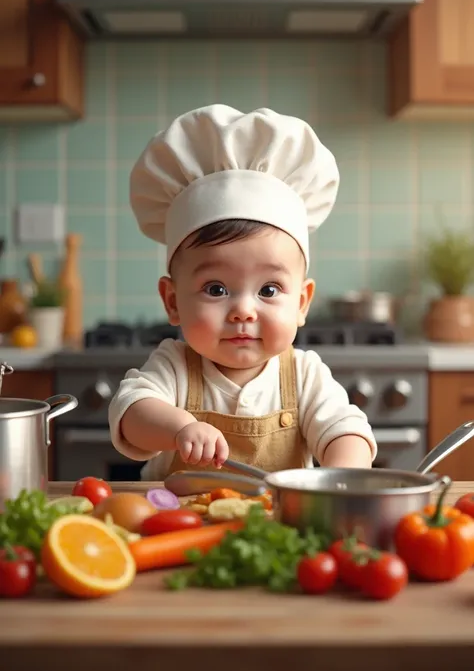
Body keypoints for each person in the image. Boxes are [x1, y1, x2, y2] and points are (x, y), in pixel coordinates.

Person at [108, 104, 377, 480]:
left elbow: (345, 431)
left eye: (269, 289)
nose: (243, 311)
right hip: (182, 530)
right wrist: (180, 428)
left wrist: (343, 478)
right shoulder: (174, 367)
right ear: (172, 301)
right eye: (216, 288)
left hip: (282, 533)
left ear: (301, 303)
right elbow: (132, 412)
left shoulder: (304, 374)